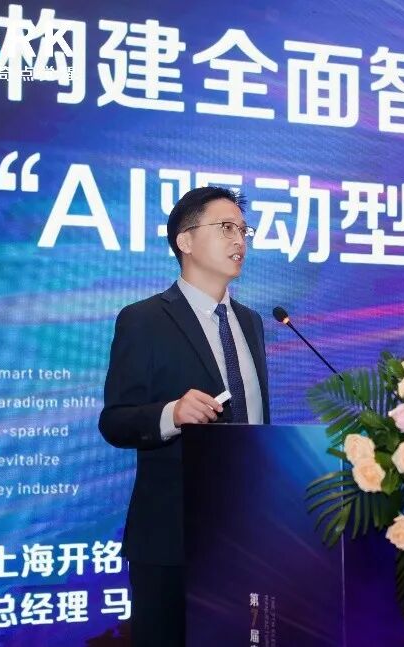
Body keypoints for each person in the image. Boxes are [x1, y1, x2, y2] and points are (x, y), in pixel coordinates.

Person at [98, 186, 270, 646]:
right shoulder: (145, 320)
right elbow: (115, 420)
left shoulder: (252, 323)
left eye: (244, 231)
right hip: (173, 538)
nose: (240, 240)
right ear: (185, 240)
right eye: (226, 228)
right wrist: (171, 413)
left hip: (249, 533)